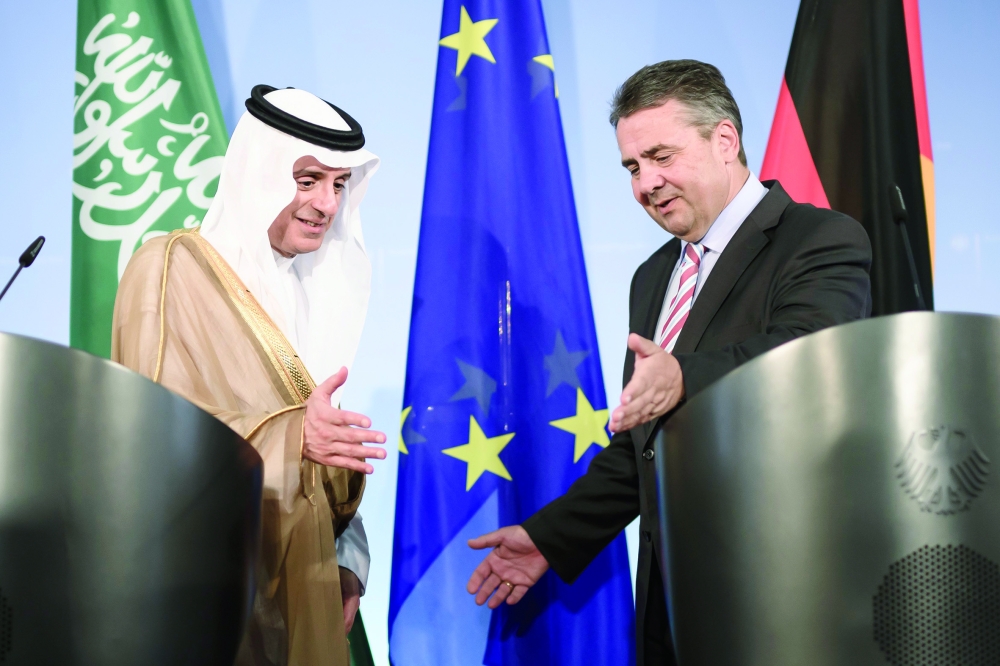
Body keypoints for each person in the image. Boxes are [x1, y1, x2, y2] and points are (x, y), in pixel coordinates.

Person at [465, 60, 873, 664]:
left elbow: (808, 354)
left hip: (780, 595)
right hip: (669, 606)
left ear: (725, 140)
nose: (646, 183)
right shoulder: (654, 275)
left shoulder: (818, 239)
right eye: (633, 167)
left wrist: (683, 379)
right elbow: (643, 446)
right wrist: (551, 538)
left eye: (661, 156)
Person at [112, 85, 387, 666]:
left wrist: (348, 559)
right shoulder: (170, 267)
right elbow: (151, 434)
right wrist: (293, 437)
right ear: (259, 174)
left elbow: (323, 446)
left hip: (301, 583)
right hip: (207, 597)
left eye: (340, 184)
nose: (327, 205)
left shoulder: (310, 290)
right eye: (308, 180)